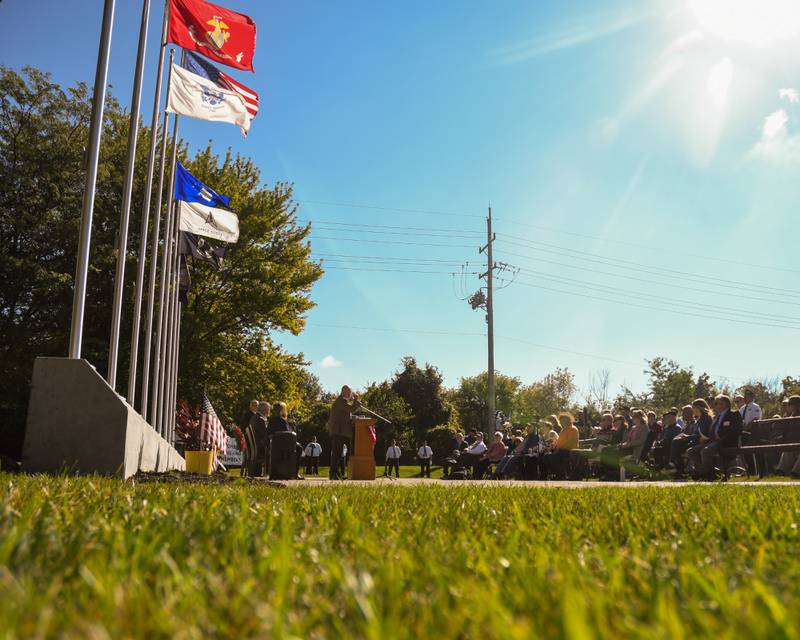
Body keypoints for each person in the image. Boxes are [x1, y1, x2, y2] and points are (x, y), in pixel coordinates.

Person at [689, 394, 743, 480]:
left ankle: (704, 473)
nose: (714, 405)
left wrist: (721, 436)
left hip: (725, 441)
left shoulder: (733, 414)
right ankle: (712, 472)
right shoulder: (717, 416)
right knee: (691, 451)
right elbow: (711, 430)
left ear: (724, 404)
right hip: (713, 442)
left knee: (706, 451)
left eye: (717, 403)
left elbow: (736, 429)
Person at [326, 385, 362, 480]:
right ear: (344, 392)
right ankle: (333, 474)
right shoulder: (340, 401)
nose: (350, 394)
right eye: (349, 392)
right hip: (338, 431)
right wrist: (356, 401)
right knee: (336, 453)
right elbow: (350, 409)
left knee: (339, 453)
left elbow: (347, 412)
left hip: (341, 431)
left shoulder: (343, 401)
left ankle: (336, 474)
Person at [543, 413, 580, 479]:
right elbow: (559, 441)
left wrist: (559, 448)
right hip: (561, 450)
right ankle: (557, 474)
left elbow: (571, 442)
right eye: (560, 421)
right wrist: (555, 446)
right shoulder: (563, 430)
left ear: (568, 420)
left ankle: (561, 475)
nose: (561, 422)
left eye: (563, 420)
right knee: (546, 456)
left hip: (569, 450)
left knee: (553, 456)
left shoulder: (572, 429)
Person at [247, 401, 270, 477]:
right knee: (276, 449)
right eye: (268, 409)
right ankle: (274, 473)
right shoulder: (260, 419)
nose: (269, 411)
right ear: (264, 410)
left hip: (255, 446)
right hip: (260, 447)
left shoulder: (254, 417)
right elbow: (265, 434)